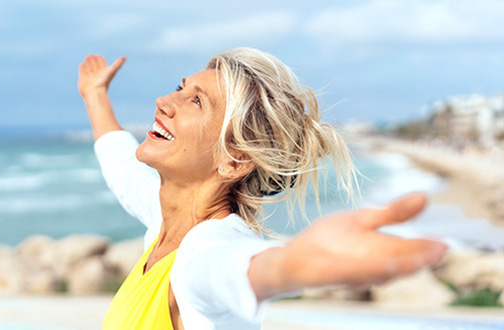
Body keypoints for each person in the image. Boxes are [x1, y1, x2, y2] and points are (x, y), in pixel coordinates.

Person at [77, 47, 448, 330]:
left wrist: (295, 263)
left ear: (234, 160)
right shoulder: (164, 223)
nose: (164, 101)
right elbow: (121, 165)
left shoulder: (202, 252)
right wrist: (96, 94)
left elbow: (233, 269)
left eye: (196, 101)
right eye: (181, 88)